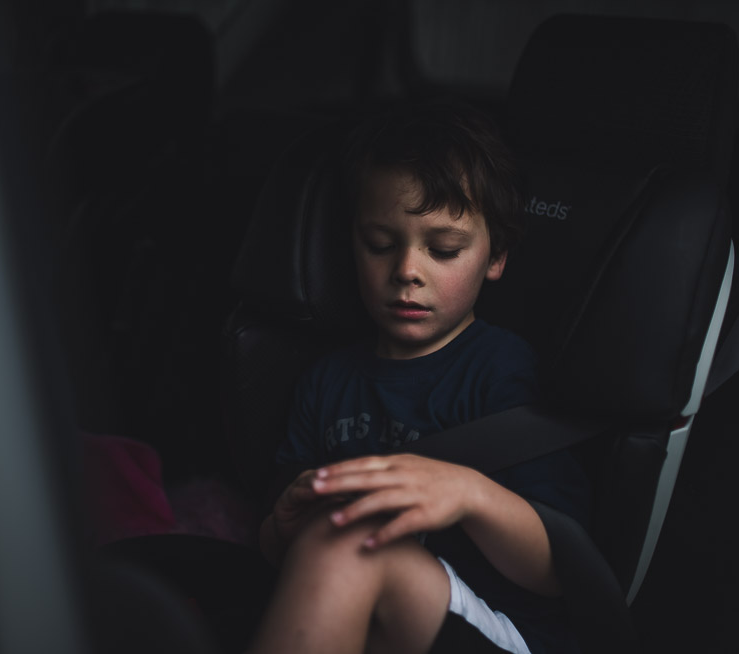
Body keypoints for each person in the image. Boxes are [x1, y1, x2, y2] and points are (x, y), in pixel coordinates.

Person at [248, 100, 591, 654]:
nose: (407, 271)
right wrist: (282, 528)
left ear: (496, 255)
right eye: (381, 245)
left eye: (444, 249)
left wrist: (470, 494)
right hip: (380, 615)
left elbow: (561, 568)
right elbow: (279, 549)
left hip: (501, 628)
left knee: (354, 543)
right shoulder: (326, 381)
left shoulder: (502, 372)